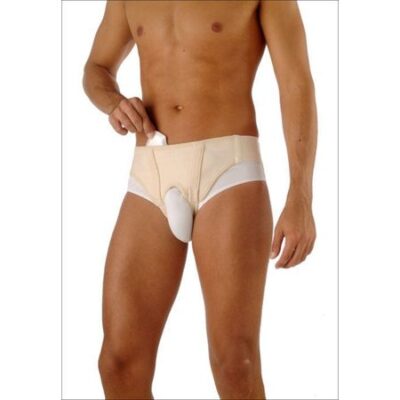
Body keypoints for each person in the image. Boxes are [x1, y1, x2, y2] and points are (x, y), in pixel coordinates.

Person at [82, 1, 317, 399]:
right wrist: (113, 102)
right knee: (118, 361)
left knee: (235, 362)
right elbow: (96, 67)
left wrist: (301, 197)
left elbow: (296, 82)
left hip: (229, 170)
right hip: (150, 169)